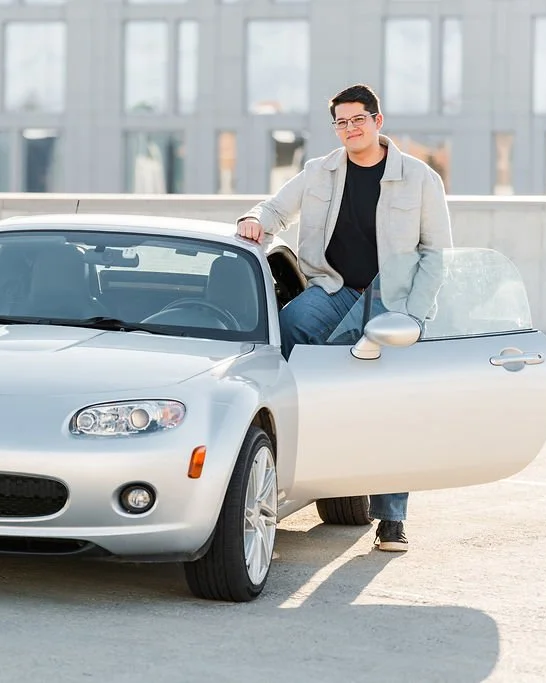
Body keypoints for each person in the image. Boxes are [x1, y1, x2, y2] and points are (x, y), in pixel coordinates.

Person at [235, 83, 453, 553]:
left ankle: (391, 520)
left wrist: (412, 316)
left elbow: (436, 255)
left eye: (358, 120)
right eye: (341, 122)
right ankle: (265, 467)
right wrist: (253, 222)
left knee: (389, 404)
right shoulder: (319, 171)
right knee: (281, 342)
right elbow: (273, 209)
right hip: (332, 289)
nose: (350, 129)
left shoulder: (419, 178)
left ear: (378, 121)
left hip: (390, 302)